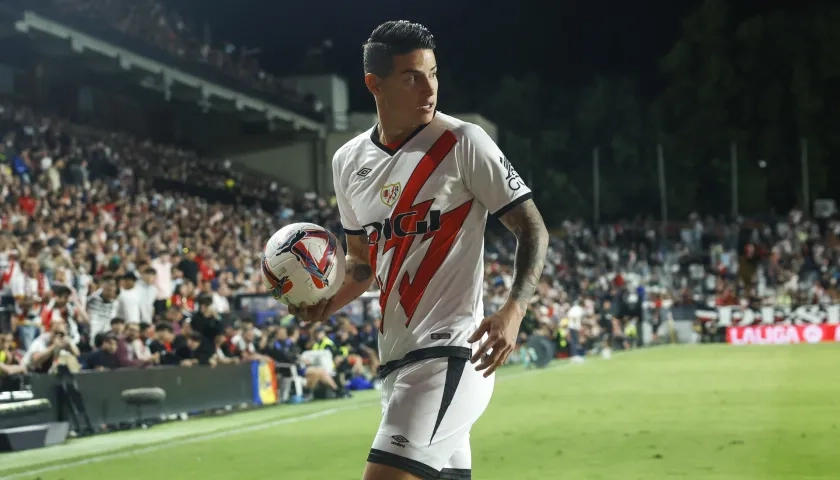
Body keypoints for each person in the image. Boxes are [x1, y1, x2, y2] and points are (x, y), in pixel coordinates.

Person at [290, 20, 549, 480]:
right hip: (395, 364)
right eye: (412, 76)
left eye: (433, 73)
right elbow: (362, 266)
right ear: (375, 84)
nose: (429, 87)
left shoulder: (463, 142)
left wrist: (515, 309)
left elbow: (532, 229)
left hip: (451, 355)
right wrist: (325, 303)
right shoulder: (347, 161)